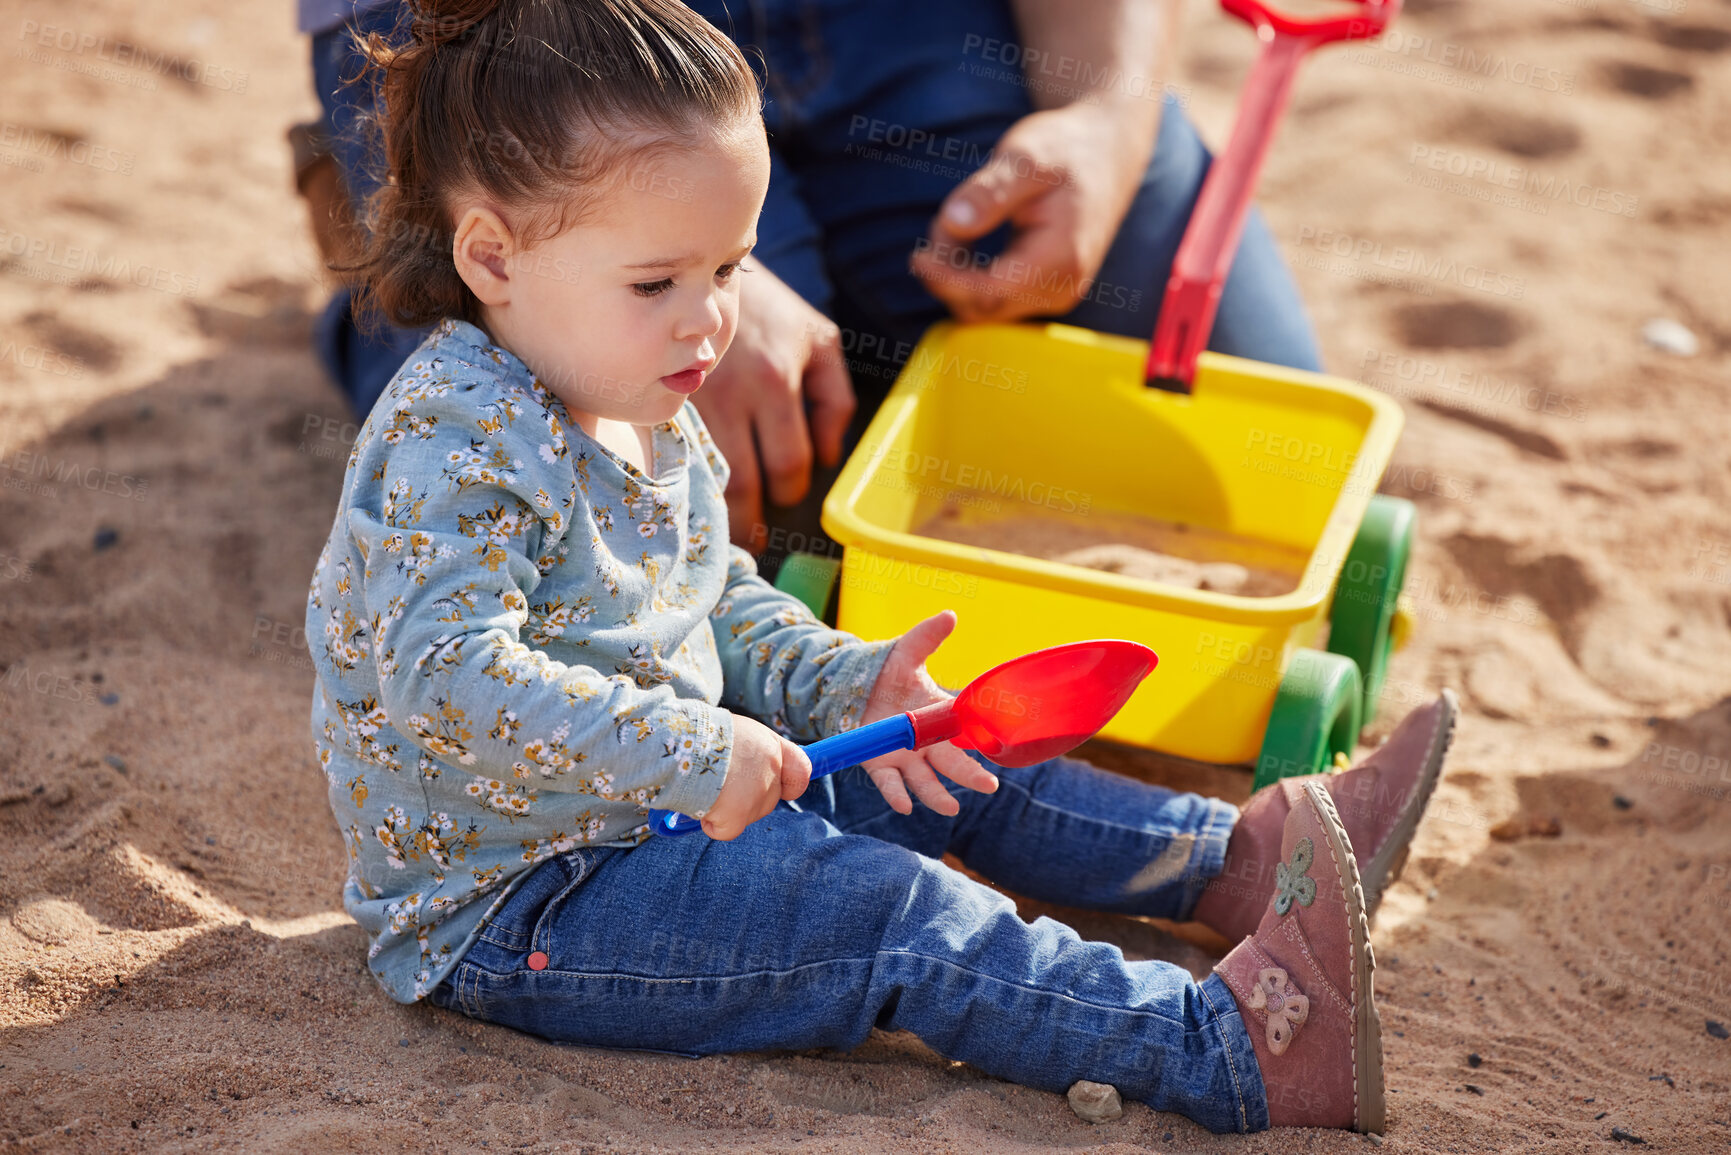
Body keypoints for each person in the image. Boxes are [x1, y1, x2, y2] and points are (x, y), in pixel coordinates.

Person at [305, 0, 1457, 1134]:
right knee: (892, 917)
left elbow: (716, 600)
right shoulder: (453, 443)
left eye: (732, 268)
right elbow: (444, 674)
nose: (708, 321)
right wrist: (699, 749)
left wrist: (842, 681)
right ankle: (1224, 1050)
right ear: (493, 257)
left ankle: (1238, 861)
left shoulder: (634, 384)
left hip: (667, 803)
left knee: (947, 746)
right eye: (658, 282)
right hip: (531, 901)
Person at [298, 0, 1323, 579]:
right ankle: (399, 260)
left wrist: (1109, 109)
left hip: (909, 23)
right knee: (680, 532)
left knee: (1249, 461)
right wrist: (700, 289)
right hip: (525, 29)